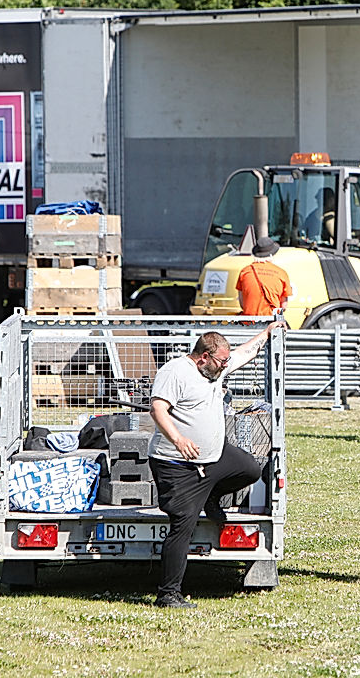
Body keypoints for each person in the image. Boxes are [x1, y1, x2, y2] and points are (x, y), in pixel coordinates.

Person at [147, 322, 285, 609]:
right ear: (203, 357)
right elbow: (158, 409)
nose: (225, 366)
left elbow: (244, 352)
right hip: (177, 464)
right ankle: (168, 594)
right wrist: (179, 439)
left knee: (249, 469)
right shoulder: (175, 372)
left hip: (213, 458)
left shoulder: (216, 368)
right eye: (221, 361)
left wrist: (267, 333)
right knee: (183, 526)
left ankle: (211, 494)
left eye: (226, 360)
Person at [235, 236, 291, 316]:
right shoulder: (281, 273)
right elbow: (283, 306)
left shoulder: (245, 272)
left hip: (249, 323)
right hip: (271, 323)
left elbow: (242, 304)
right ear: (272, 255)